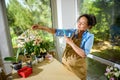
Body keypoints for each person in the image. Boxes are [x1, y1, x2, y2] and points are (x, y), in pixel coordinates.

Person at [32, 14, 97, 80]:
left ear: (88, 26)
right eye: (79, 21)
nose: (79, 24)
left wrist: (71, 43)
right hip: (66, 65)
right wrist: (41, 27)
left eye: (82, 23)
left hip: (77, 69)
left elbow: (83, 54)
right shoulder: (72, 32)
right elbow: (55, 31)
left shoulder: (89, 36)